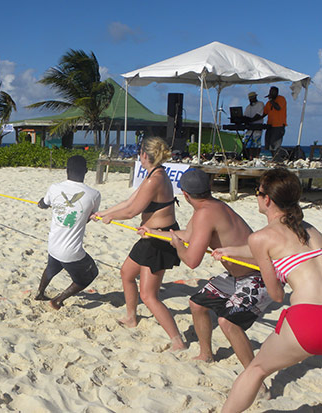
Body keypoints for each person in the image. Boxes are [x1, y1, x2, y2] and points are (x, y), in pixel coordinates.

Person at [213, 169, 322, 412]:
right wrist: (232, 250)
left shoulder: (262, 237)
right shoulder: (310, 229)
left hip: (310, 319)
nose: (256, 195)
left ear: (267, 200)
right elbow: (285, 250)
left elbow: (276, 295)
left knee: (256, 370)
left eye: (257, 192)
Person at [140, 168, 272, 366]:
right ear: (208, 188)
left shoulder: (205, 213)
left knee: (228, 323)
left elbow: (192, 261)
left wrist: (177, 247)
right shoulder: (209, 207)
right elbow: (186, 235)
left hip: (260, 277)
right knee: (197, 303)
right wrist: (153, 232)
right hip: (237, 276)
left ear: (185, 194)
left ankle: (255, 379)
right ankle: (206, 354)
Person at [94, 137, 185, 350]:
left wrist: (112, 218)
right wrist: (103, 213)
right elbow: (128, 202)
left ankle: (177, 340)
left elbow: (131, 211)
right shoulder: (153, 173)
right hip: (148, 238)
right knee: (126, 273)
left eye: (140, 154)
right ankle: (131, 317)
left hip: (159, 239)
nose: (139, 158)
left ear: (145, 155)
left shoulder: (156, 178)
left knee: (149, 295)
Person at [34, 155, 101, 310]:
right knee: (90, 274)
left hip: (53, 245)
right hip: (70, 251)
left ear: (67, 170)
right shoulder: (94, 194)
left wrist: (41, 204)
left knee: (52, 267)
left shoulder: (54, 188)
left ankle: (40, 293)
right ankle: (58, 300)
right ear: (86, 171)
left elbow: (43, 204)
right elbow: (86, 219)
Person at [262, 86, 287, 158]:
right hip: (270, 125)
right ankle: (274, 158)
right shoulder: (268, 103)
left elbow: (278, 107)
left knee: (275, 144)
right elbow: (264, 114)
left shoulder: (281, 99)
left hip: (278, 126)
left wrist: (271, 100)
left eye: (272, 92)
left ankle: (277, 159)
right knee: (269, 144)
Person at [242, 91, 264, 160]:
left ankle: (256, 157)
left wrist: (250, 120)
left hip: (257, 126)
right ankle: (250, 157)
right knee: (247, 143)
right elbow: (245, 116)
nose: (251, 100)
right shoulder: (248, 107)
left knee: (256, 144)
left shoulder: (260, 104)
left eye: (252, 98)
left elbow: (258, 115)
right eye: (250, 98)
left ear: (255, 97)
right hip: (249, 128)